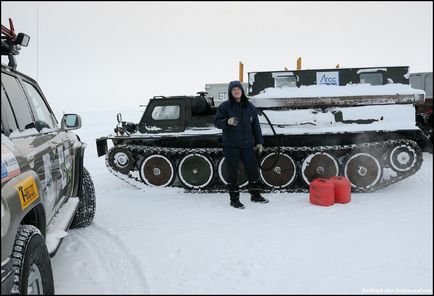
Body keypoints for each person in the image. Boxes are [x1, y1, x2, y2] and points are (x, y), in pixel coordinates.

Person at [214, 80, 269, 209]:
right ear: (230, 92)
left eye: (238, 89)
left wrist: (259, 142)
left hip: (247, 144)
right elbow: (216, 122)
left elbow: (256, 126)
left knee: (253, 169)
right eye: (234, 89)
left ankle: (255, 195)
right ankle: (234, 200)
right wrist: (227, 121)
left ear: (241, 91)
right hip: (231, 145)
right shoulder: (225, 106)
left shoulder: (250, 106)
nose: (236, 91)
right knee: (232, 172)